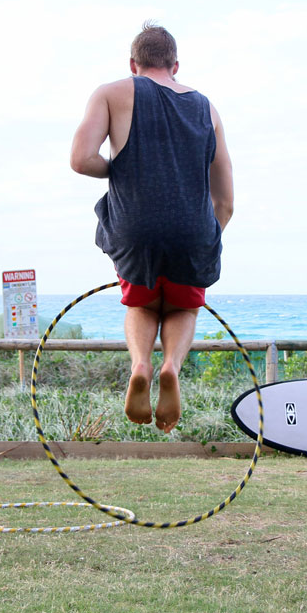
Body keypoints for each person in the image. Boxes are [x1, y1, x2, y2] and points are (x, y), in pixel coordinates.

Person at [70, 22, 234, 433]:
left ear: (133, 64)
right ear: (175, 65)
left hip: (134, 226)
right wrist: (205, 238)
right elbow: (225, 200)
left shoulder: (112, 93)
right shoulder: (206, 108)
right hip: (192, 227)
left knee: (141, 303)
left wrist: (124, 172)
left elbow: (81, 158)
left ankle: (141, 363)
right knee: (182, 304)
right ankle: (171, 368)